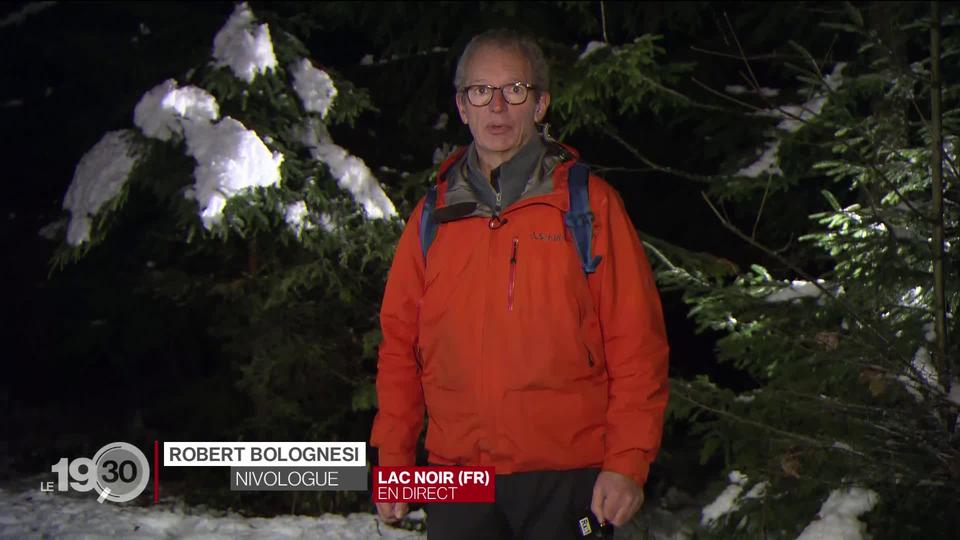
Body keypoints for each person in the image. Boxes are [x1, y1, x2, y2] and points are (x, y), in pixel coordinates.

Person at [370, 28, 670, 539]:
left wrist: (627, 462)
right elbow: (401, 347)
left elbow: (636, 343)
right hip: (456, 475)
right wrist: (394, 462)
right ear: (462, 106)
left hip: (567, 475)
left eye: (515, 90)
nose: (498, 107)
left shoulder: (588, 206)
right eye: (480, 91)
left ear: (540, 103)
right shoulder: (432, 216)